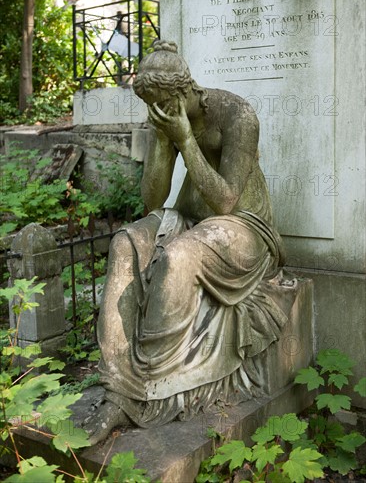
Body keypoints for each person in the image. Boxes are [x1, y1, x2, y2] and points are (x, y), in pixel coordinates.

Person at [83, 40, 289, 444]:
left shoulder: (237, 115)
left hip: (243, 226)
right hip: (191, 217)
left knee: (180, 256)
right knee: (125, 241)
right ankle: (117, 386)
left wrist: (187, 140)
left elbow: (227, 199)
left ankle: (148, 388)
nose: (154, 112)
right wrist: (164, 141)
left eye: (160, 103)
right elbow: (152, 200)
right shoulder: (164, 119)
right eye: (149, 106)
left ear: (182, 92)